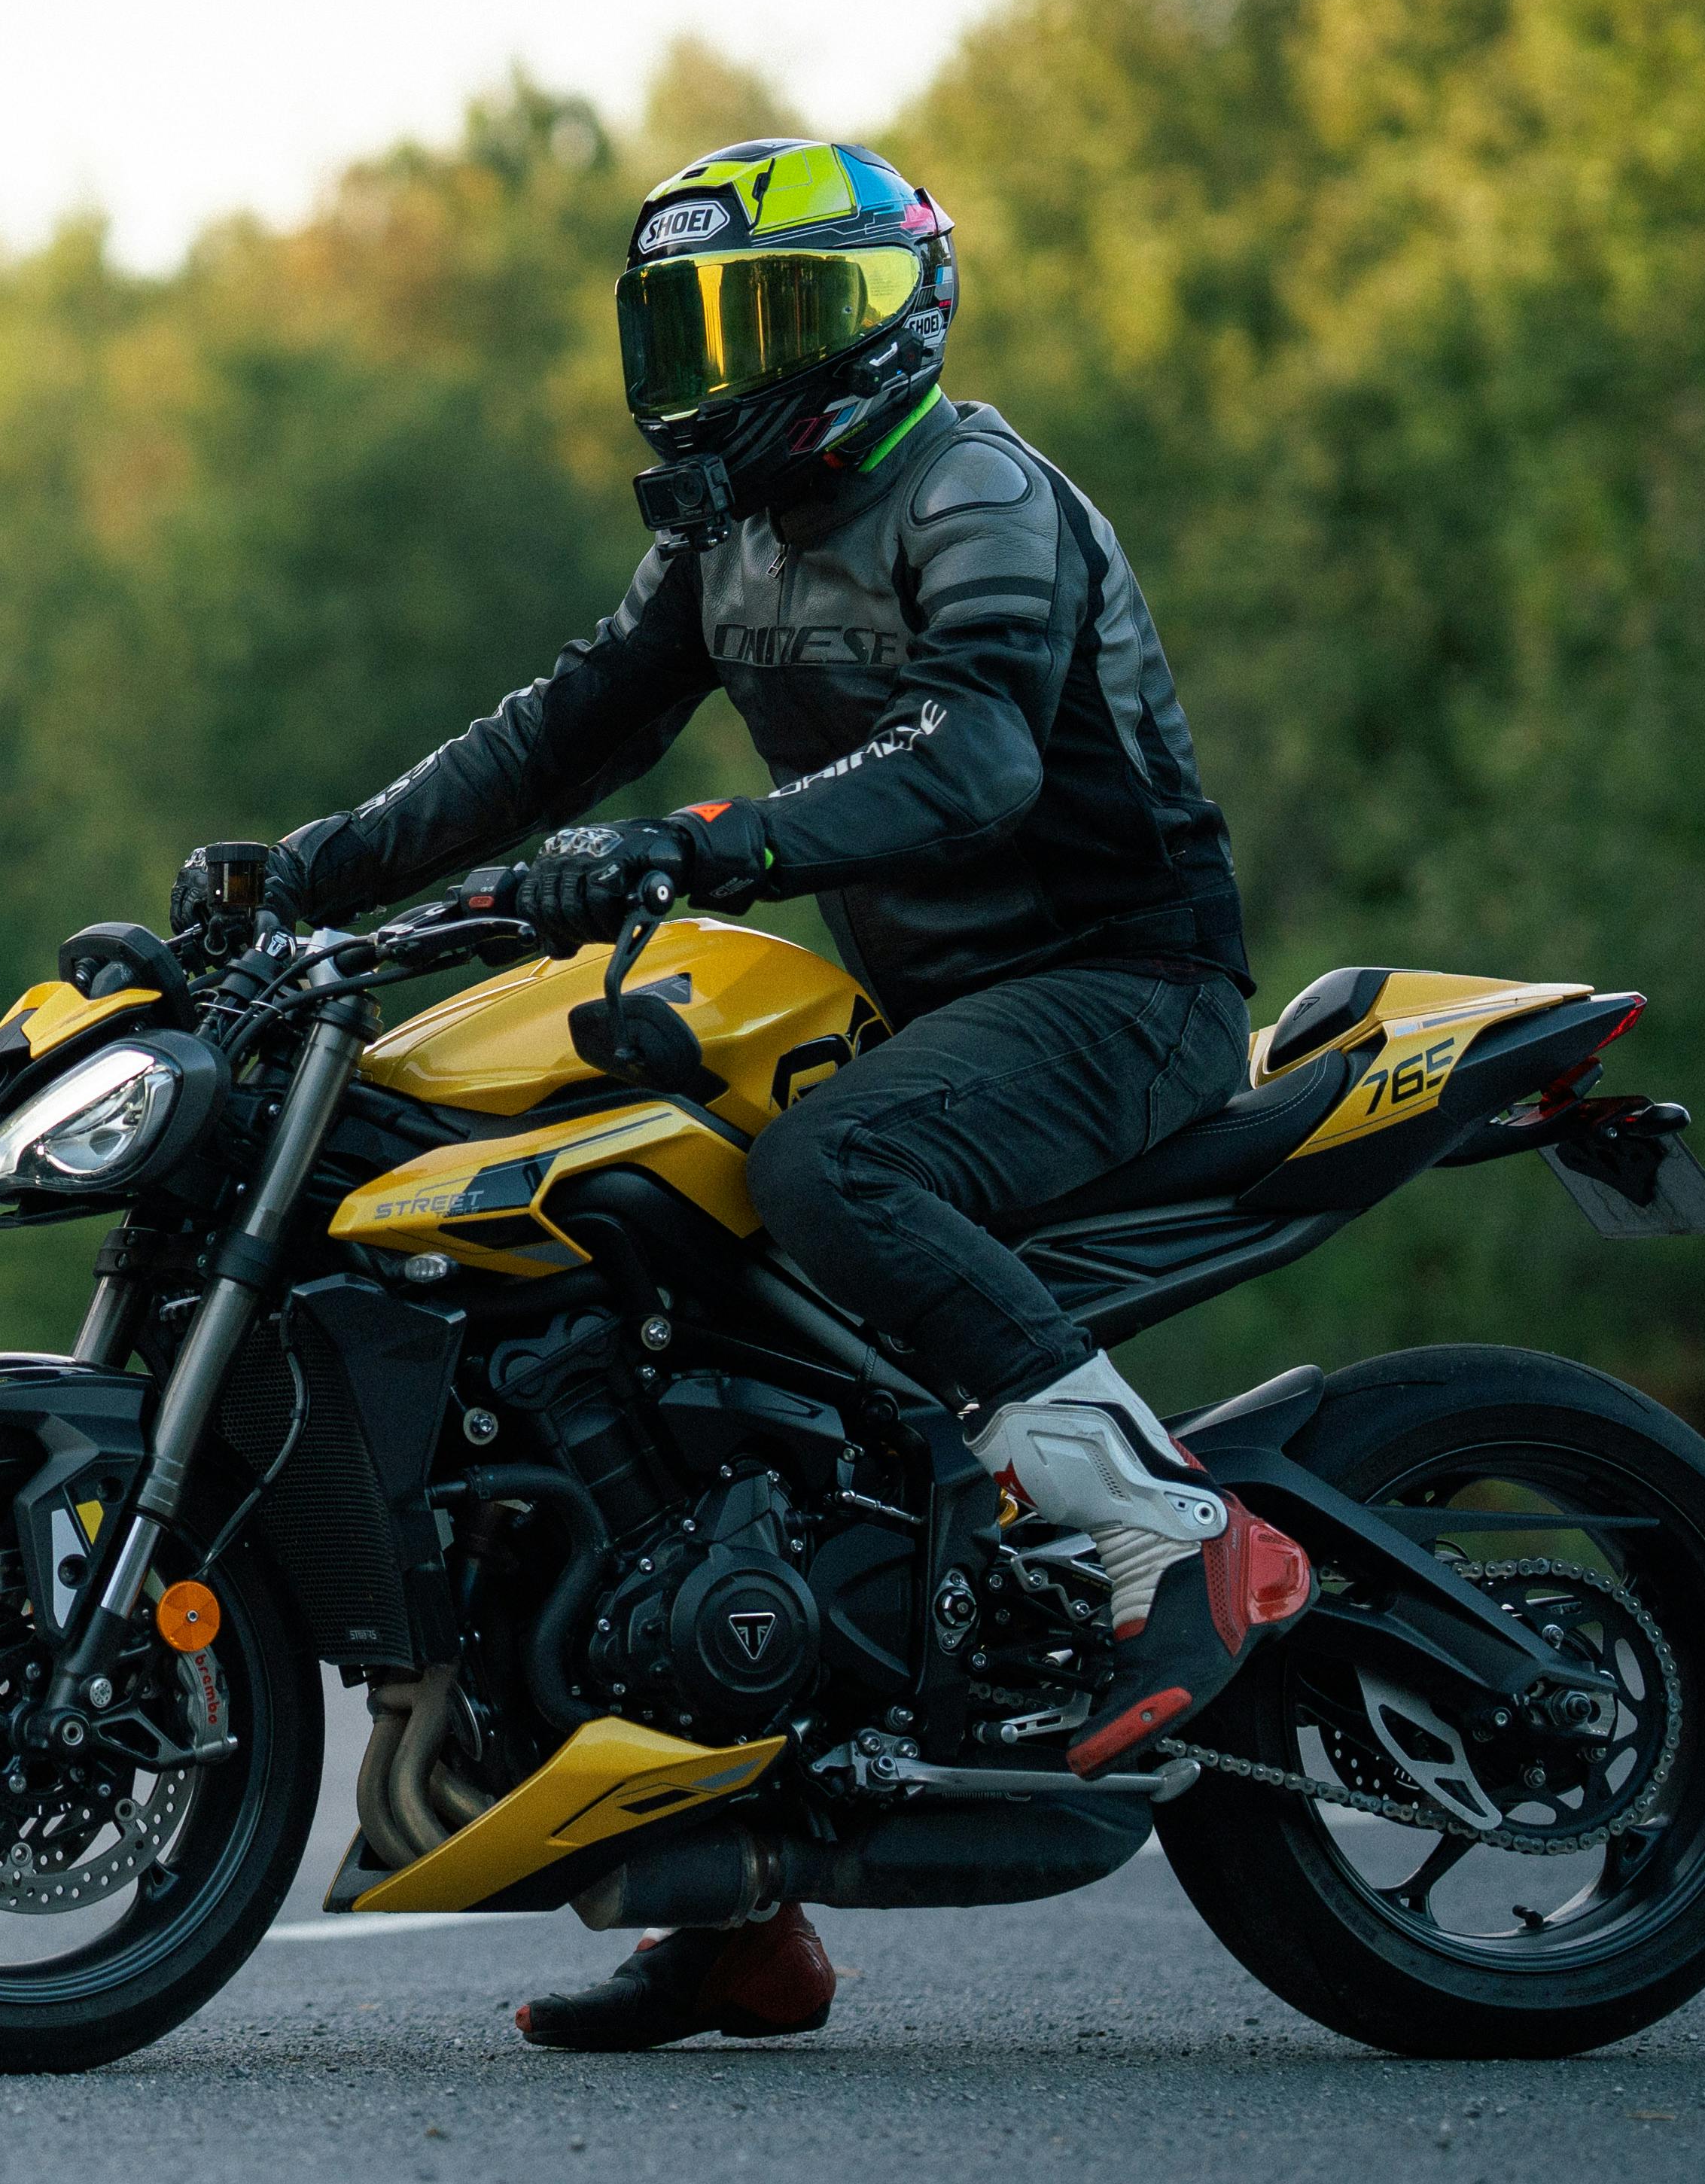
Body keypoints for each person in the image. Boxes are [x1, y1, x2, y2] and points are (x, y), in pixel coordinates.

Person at [177, 137, 1310, 2052]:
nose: (731, 361)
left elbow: (973, 756)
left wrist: (705, 843)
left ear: (893, 315)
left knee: (828, 1170)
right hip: (926, 1001)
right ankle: (731, 1908)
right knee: (618, 1306)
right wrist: (302, 874)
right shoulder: (728, 541)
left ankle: (1168, 1534)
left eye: (775, 314)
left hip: (1121, 987)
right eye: (697, 323)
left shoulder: (976, 494)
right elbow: (548, 740)